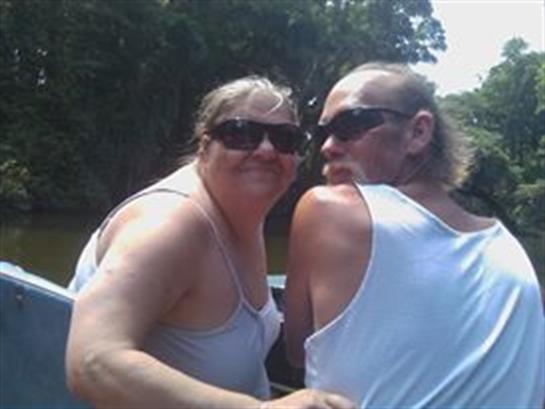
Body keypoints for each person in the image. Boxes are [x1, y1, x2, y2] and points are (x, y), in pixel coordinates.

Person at [65, 76, 355, 409]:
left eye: (284, 139)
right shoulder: (167, 223)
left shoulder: (242, 208)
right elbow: (92, 361)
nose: (266, 150)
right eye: (241, 134)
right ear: (205, 145)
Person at [284, 63, 545, 408]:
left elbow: (296, 350)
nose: (328, 147)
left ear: (418, 132)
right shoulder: (512, 252)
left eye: (350, 125)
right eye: (323, 133)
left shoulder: (327, 209)